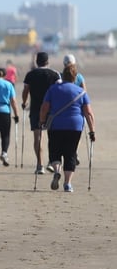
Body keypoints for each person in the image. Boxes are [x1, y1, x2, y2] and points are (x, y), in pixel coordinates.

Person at [39, 64, 95, 192]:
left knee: (55, 151)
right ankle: (67, 184)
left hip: (55, 125)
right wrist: (92, 131)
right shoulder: (81, 92)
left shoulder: (53, 89)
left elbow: (44, 107)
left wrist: (42, 121)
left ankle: (57, 171)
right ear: (75, 77)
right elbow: (89, 113)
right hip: (74, 126)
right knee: (70, 154)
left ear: (63, 76)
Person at [21, 52, 61, 174]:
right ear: (47, 62)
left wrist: (24, 102)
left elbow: (25, 90)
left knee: (38, 137)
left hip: (36, 109)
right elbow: (59, 90)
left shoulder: (30, 74)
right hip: (51, 109)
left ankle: (39, 165)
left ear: (37, 62)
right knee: (52, 136)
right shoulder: (55, 74)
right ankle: (52, 161)